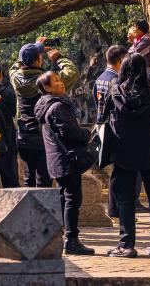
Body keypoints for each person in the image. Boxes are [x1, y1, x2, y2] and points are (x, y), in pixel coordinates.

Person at [98, 53, 150, 258]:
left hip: (123, 153)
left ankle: (126, 245)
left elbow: (102, 117)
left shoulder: (115, 92)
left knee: (126, 199)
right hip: (149, 153)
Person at [35, 70, 96, 256]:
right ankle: (71, 240)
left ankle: (58, 236)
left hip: (56, 159)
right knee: (72, 199)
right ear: (47, 87)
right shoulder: (57, 107)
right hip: (66, 159)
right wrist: (88, 134)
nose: (61, 83)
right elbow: (71, 133)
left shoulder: (44, 106)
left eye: (60, 79)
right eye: (56, 81)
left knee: (63, 198)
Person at [11, 39, 78, 187]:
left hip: (23, 136)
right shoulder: (45, 82)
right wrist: (59, 58)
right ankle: (43, 210)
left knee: (29, 178)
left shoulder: (15, 77)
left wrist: (29, 51)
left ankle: (29, 210)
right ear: (39, 59)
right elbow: (71, 73)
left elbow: (14, 67)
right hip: (43, 137)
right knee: (44, 180)